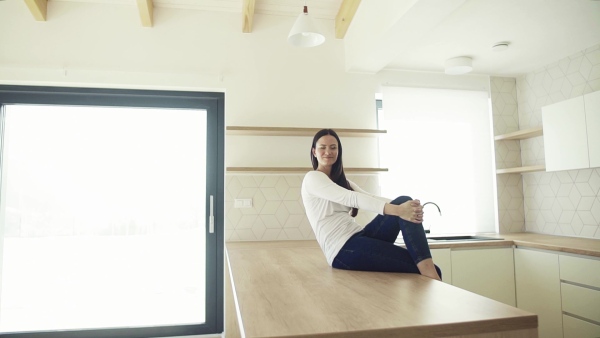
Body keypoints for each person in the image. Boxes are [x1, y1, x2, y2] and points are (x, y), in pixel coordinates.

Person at [301, 128, 442, 280]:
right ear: (314, 152)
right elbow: (351, 198)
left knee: (404, 199)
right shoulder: (312, 178)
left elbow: (370, 197)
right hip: (342, 250)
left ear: (339, 152)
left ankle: (428, 271)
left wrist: (408, 206)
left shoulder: (342, 182)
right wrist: (398, 210)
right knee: (432, 270)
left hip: (359, 237)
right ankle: (430, 272)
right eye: (323, 147)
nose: (328, 151)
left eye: (333, 147)